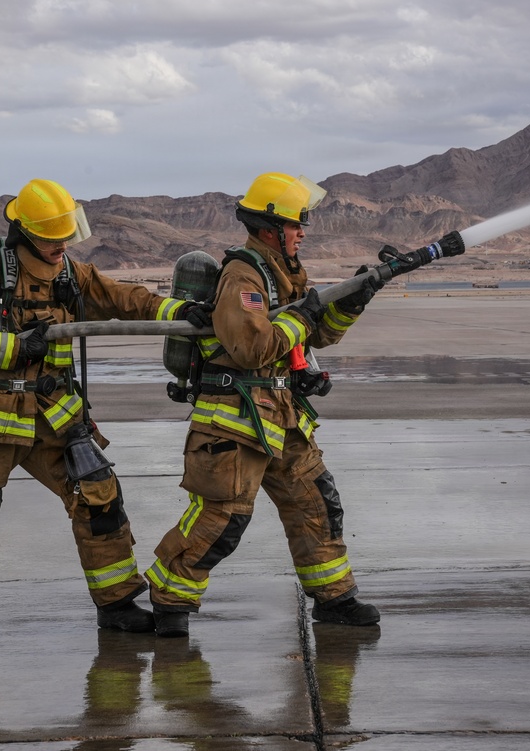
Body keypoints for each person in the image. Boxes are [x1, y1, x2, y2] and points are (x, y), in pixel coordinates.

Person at [0, 178, 211, 640]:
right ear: (26, 231)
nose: (60, 245)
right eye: (51, 238)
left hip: (55, 415)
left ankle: (116, 605)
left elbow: (124, 298)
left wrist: (179, 312)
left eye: (65, 235)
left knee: (100, 498)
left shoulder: (71, 272)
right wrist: (14, 346)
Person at [146, 172, 383, 637]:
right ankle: (169, 601)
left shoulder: (283, 273)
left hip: (281, 414)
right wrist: (302, 318)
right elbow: (252, 348)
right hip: (235, 419)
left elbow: (317, 334)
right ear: (271, 228)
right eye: (297, 225)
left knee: (316, 503)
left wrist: (353, 300)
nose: (302, 232)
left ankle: (335, 598)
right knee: (222, 519)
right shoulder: (243, 275)